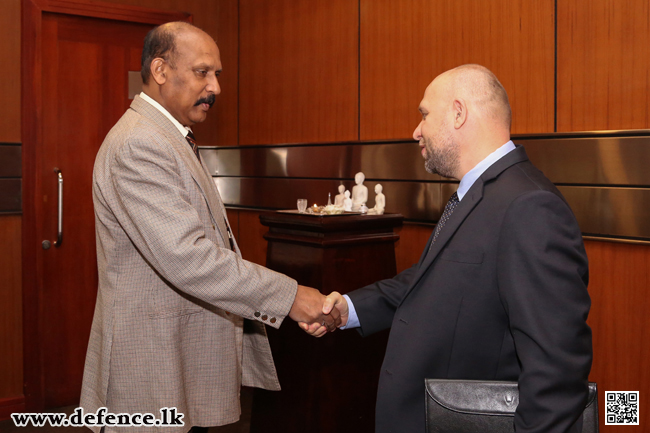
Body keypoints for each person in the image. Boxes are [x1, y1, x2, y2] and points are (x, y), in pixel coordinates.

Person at [303, 65, 592, 433]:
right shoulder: (479, 192)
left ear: (458, 113)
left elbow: (557, 370)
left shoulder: (529, 206)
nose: (416, 130)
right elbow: (431, 280)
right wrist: (350, 309)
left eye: (424, 114)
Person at [80, 22, 338, 433]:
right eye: (203, 72)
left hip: (178, 353)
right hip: (150, 363)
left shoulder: (170, 136)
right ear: (161, 70)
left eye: (217, 74)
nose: (215, 87)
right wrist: (290, 296)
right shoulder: (138, 143)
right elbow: (189, 258)